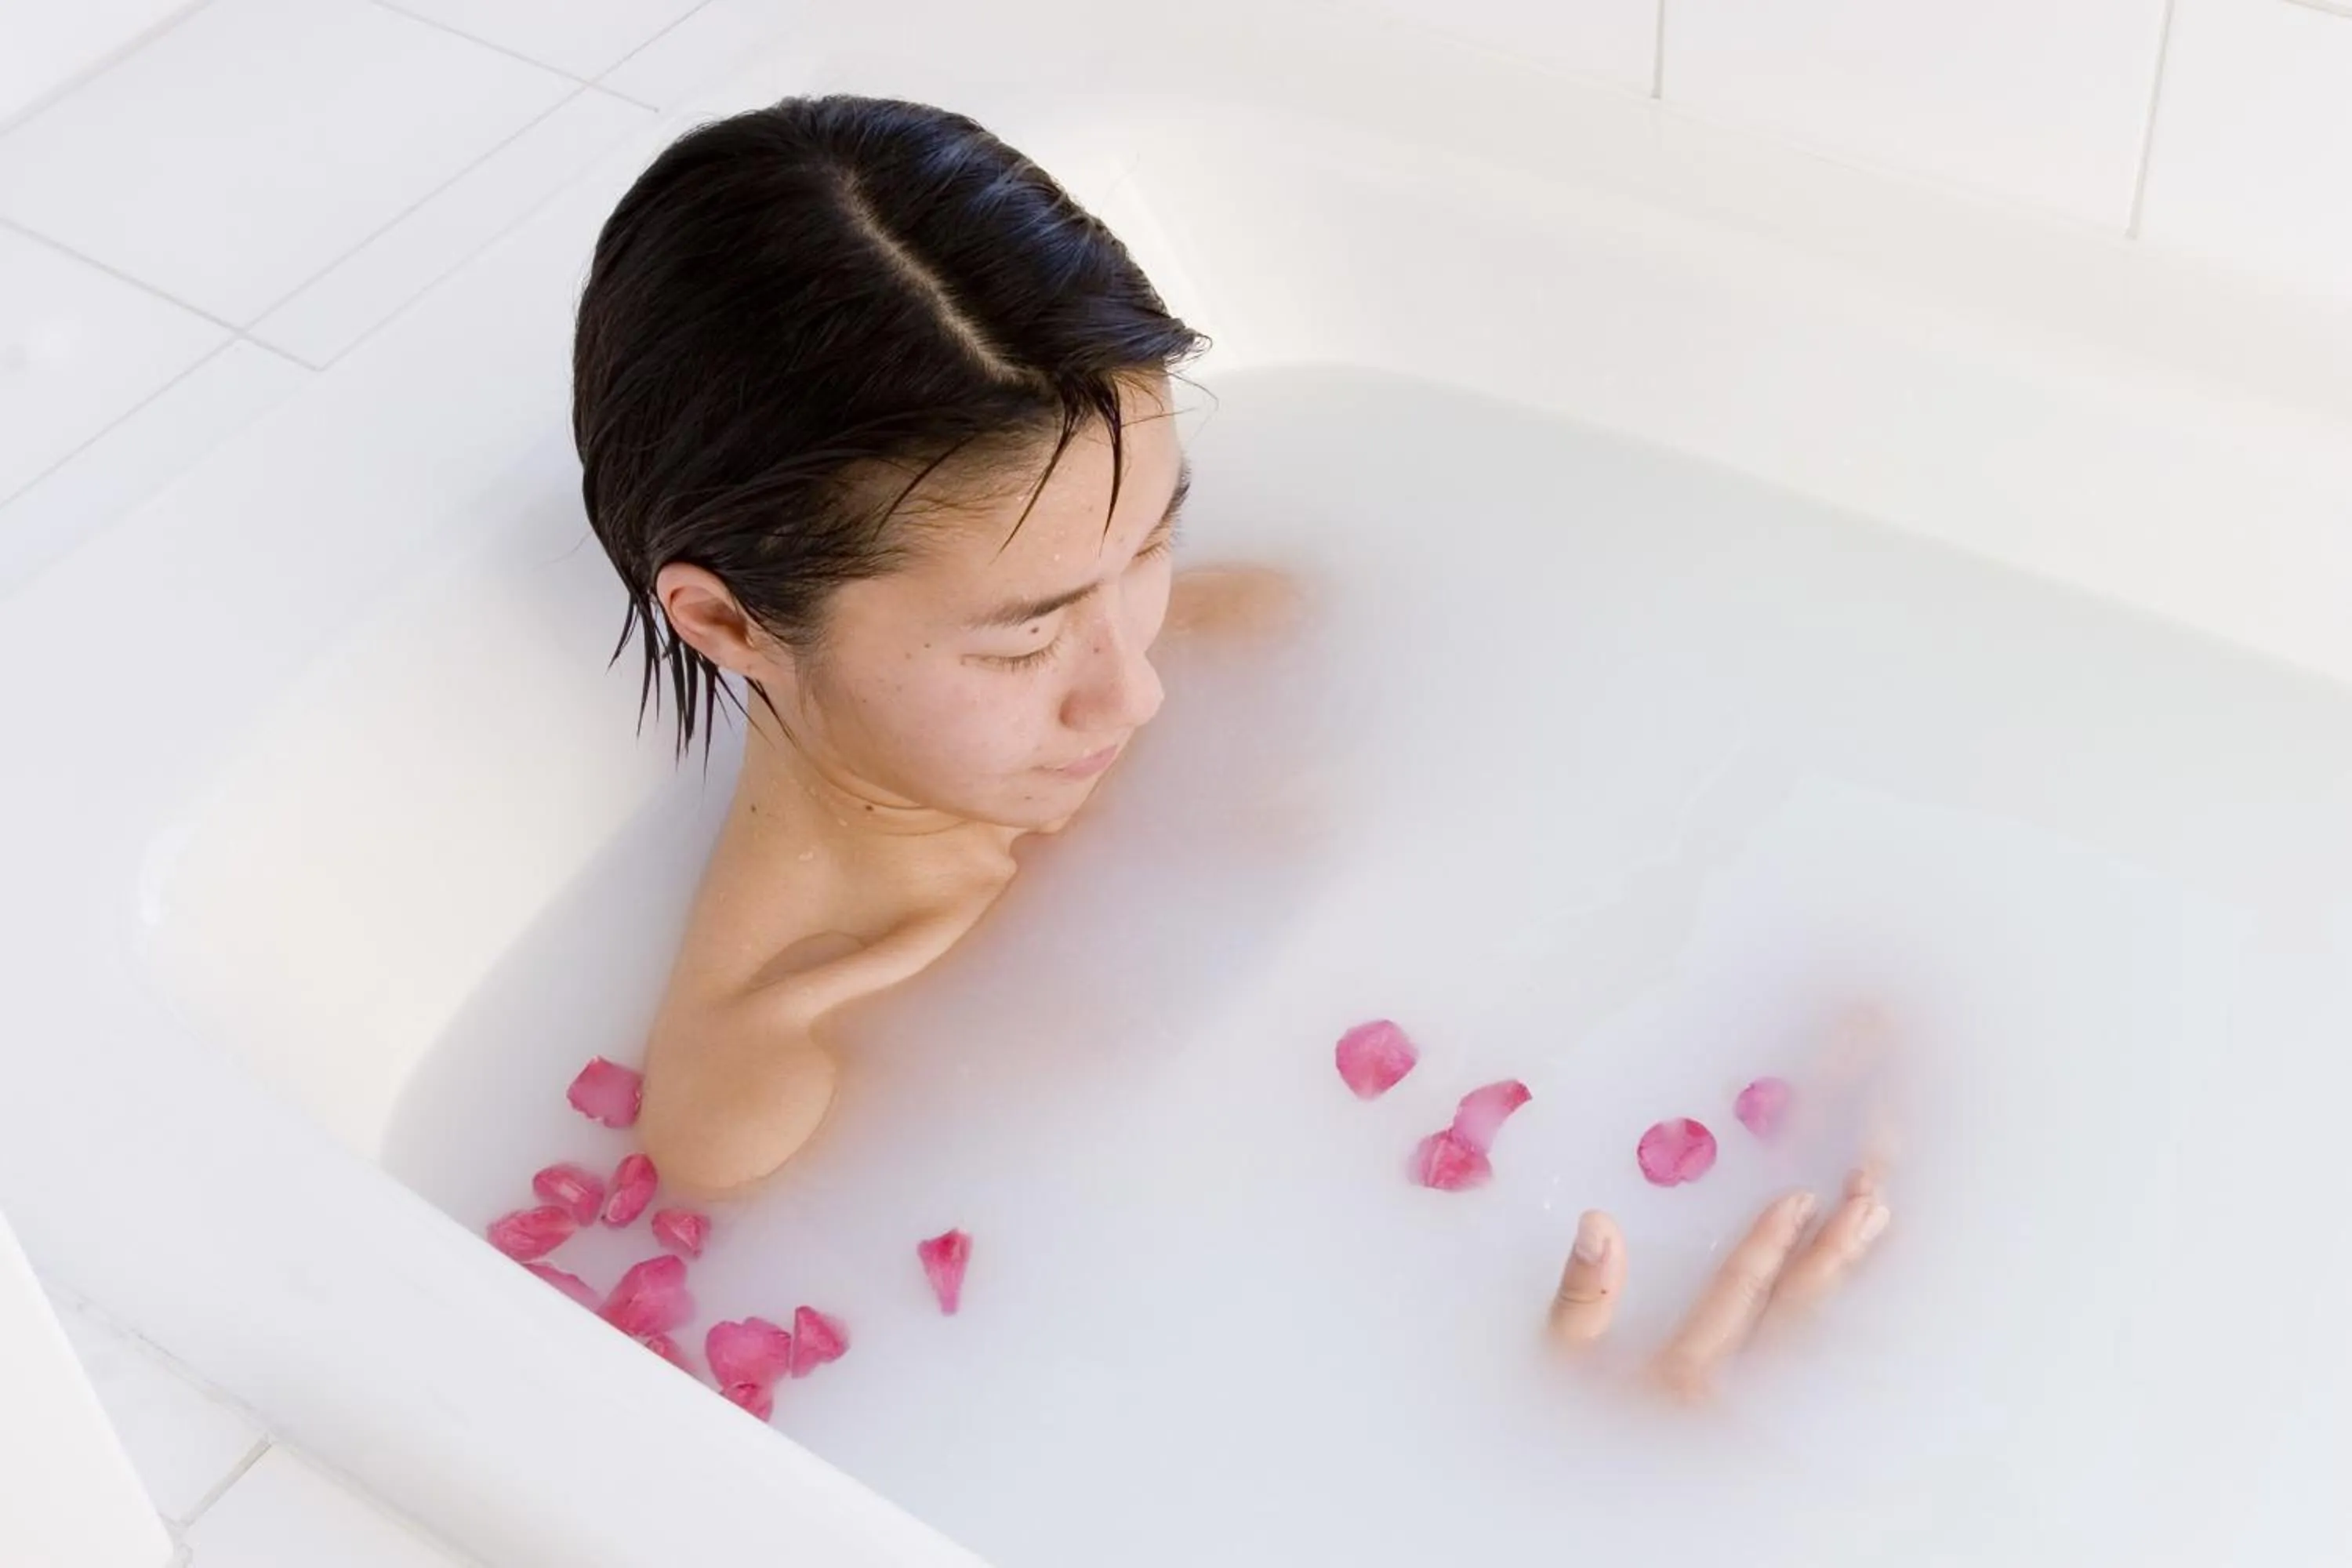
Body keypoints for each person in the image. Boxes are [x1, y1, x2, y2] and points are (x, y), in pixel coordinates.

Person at [570, 94, 1886, 1400]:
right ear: (729, 623)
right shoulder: (775, 1098)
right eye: (1023, 643)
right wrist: (1579, 1426)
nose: (1135, 689)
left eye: (1150, 542)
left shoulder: (1247, 635)